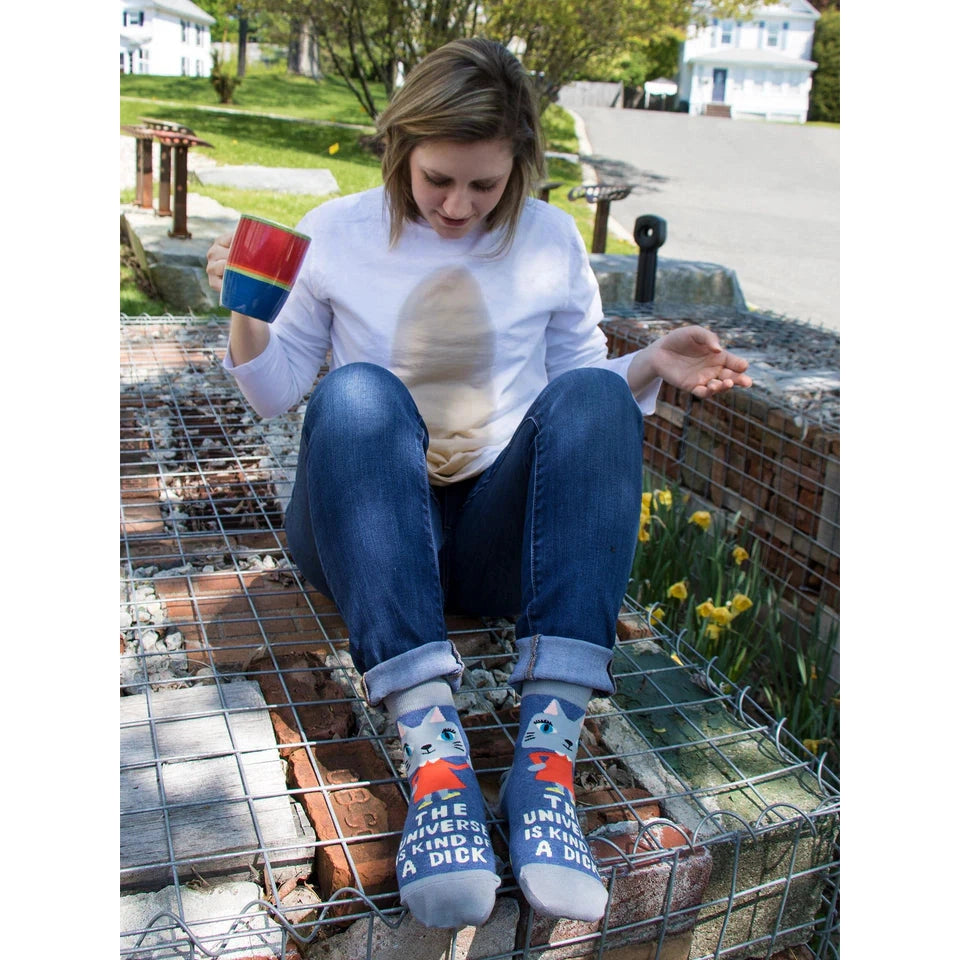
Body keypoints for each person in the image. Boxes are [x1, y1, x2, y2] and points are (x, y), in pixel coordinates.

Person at [206, 37, 751, 931]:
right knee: (356, 391)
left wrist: (650, 362)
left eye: (484, 186)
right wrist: (245, 306)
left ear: (520, 166)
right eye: (437, 180)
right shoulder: (337, 231)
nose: (458, 205)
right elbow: (273, 391)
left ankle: (544, 772)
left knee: (596, 397)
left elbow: (578, 397)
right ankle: (438, 769)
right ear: (401, 149)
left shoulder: (548, 239)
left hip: (495, 536)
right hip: (367, 529)